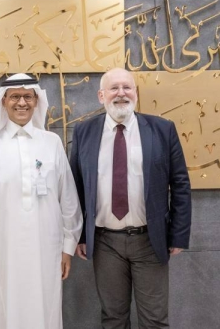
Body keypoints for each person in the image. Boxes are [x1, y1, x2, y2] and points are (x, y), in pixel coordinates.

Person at [70, 68, 191, 328]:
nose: (121, 93)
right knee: (113, 319)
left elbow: (180, 183)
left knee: (155, 320)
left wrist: (178, 234)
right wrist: (79, 236)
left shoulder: (162, 129)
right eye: (114, 88)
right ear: (101, 95)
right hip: (105, 243)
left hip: (150, 240)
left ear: (136, 93)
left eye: (127, 87)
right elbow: (76, 187)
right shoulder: (84, 132)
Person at [0, 73, 83, 329]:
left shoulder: (51, 143)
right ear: (3, 101)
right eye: (15, 96)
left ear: (36, 101)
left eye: (28, 96)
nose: (22, 103)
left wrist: (67, 246)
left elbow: (68, 199)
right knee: (1, 312)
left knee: (44, 309)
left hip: (46, 249)